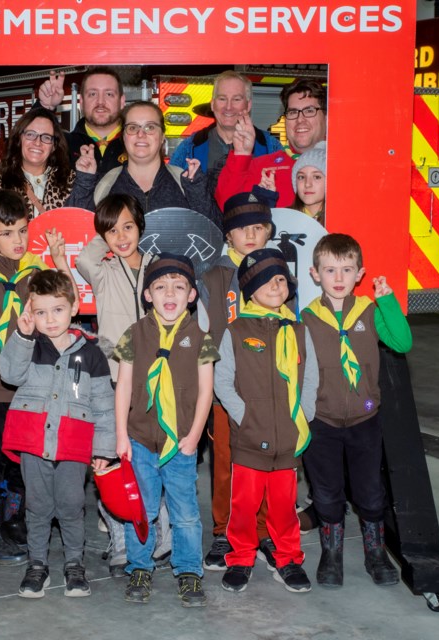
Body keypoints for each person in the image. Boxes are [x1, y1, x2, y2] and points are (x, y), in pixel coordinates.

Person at [0, 189, 73, 564]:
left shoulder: (35, 272)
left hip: (29, 384)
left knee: (22, 459)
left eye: (22, 231)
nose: (17, 240)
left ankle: (13, 522)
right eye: (6, 233)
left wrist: (58, 260)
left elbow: (66, 302)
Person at [301, 233, 411, 588]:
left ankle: (375, 553)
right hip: (322, 421)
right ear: (315, 273)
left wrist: (388, 303)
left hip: (365, 419)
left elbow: (402, 341)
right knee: (327, 491)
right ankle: (331, 556)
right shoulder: (305, 319)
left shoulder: (369, 311)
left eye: (346, 269)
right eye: (330, 269)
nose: (338, 277)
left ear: (360, 273)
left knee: (370, 491)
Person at [0, 270, 116, 598]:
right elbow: (9, 373)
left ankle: (74, 565)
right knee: (37, 505)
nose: (49, 320)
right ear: (29, 312)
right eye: (40, 312)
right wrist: (21, 338)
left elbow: (104, 406)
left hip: (74, 444)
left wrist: (105, 448)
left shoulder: (92, 354)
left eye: (58, 309)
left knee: (71, 503)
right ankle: (37, 565)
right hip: (33, 441)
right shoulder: (28, 344)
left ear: (74, 307)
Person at [75, 194, 172, 577]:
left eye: (129, 226)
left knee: (149, 459)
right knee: (107, 460)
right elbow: (84, 257)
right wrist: (108, 229)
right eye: (112, 231)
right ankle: (119, 537)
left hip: (152, 381)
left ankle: (160, 536)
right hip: (112, 380)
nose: (121, 236)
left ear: (142, 227)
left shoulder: (157, 269)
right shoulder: (103, 270)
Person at [113, 254, 218, 608]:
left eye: (178, 287)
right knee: (141, 509)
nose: (169, 294)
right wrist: (121, 435)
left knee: (185, 510)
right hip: (140, 438)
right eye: (160, 287)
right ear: (148, 295)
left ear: (191, 295)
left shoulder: (200, 338)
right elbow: (124, 386)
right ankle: (139, 566)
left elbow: (206, 391)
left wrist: (194, 436)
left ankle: (188, 571)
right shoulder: (135, 334)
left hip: (180, 443)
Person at [213, 248, 318, 594]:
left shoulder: (300, 331)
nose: (276, 284)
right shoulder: (237, 331)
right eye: (265, 279)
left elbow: (311, 378)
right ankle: (241, 558)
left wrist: (302, 416)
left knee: (284, 508)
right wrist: (245, 418)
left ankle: (288, 560)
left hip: (288, 438)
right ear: (250, 289)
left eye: (280, 278)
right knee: (243, 507)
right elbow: (222, 380)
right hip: (249, 439)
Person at [198, 192, 274, 572]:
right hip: (225, 390)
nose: (250, 235)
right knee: (226, 463)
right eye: (241, 229)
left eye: (258, 229)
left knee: (268, 462)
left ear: (269, 233)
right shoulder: (213, 277)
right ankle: (223, 532)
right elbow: (201, 332)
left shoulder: (278, 276)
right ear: (228, 235)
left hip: (270, 390)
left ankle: (261, 531)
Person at [71, 101, 220, 228]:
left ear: (162, 137)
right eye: (132, 128)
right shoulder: (103, 186)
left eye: (150, 127)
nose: (141, 134)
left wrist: (197, 191)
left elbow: (216, 234)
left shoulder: (187, 184)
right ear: (123, 137)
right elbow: (75, 230)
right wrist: (85, 181)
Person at [215, 78, 328, 209]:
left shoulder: (341, 166)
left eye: (309, 111)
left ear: (326, 118)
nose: (300, 120)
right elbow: (228, 205)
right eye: (292, 112)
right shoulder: (264, 168)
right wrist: (241, 155)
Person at [169, 71, 284, 190]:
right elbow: (170, 190)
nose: (228, 107)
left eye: (236, 99)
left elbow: (284, 192)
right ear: (213, 104)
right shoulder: (189, 147)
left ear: (248, 105)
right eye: (222, 99)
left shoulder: (271, 147)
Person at [0, 109, 80, 218]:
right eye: (31, 135)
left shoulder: (70, 181)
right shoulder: (2, 181)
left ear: (54, 146)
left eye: (46, 137)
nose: (37, 142)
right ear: (19, 139)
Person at [36, 67, 127, 176]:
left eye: (109, 94)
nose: (100, 102)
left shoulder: (138, 144)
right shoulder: (62, 146)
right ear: (81, 102)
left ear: (122, 102)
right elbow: (23, 145)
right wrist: (45, 107)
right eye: (93, 94)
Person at [291, 142, 327, 226]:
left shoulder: (341, 220)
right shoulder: (285, 218)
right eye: (301, 177)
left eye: (317, 177)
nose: (307, 184)